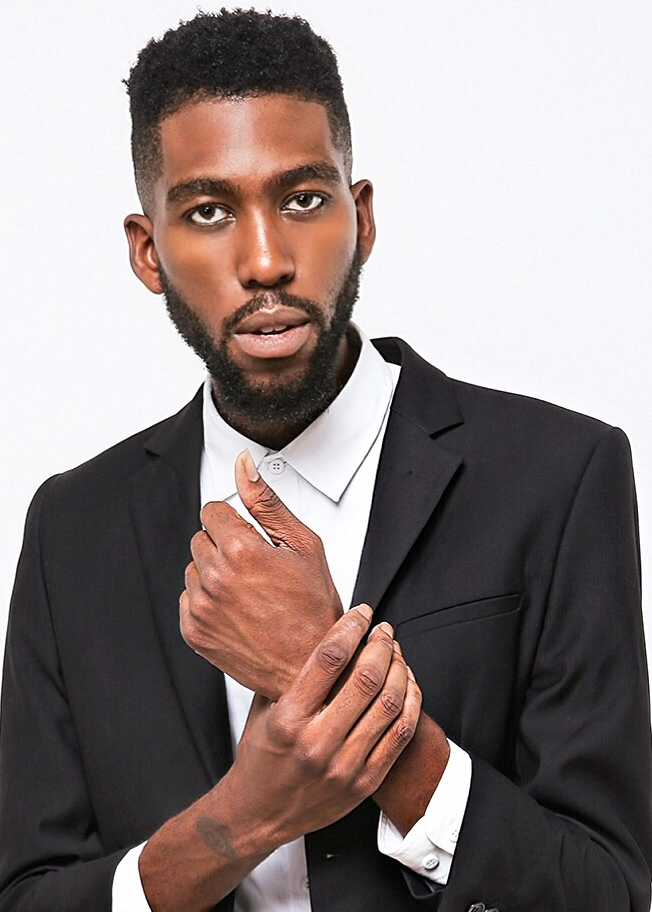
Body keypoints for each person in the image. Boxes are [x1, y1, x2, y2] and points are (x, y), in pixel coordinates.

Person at [0, 9, 650, 912]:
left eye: (304, 199)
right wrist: (241, 819)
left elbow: (610, 892)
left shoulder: (559, 477)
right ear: (148, 253)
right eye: (209, 212)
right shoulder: (72, 529)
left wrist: (328, 673)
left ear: (362, 216)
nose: (266, 261)